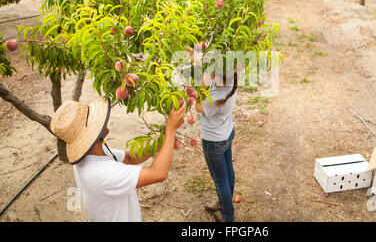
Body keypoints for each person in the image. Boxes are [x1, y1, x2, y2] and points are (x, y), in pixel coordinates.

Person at [50, 97, 186, 222]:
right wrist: (170, 130)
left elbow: (129, 158)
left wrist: (162, 143)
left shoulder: (91, 157)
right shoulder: (102, 172)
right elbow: (159, 173)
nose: (104, 120)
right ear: (94, 133)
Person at [195, 70, 238, 222]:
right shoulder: (232, 82)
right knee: (228, 171)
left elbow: (198, 107)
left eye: (214, 73)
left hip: (213, 142)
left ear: (219, 77)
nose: (211, 74)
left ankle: (228, 217)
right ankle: (223, 203)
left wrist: (198, 90)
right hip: (227, 133)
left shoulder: (214, 97)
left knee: (220, 180)